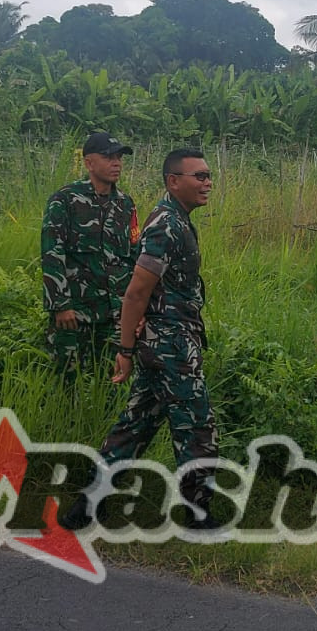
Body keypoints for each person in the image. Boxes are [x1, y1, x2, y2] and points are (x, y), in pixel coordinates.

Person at [80, 148, 219, 529]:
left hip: (168, 339)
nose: (207, 183)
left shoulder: (177, 219)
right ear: (174, 181)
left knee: (136, 425)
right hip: (169, 344)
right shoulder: (166, 225)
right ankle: (198, 514)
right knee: (196, 426)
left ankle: (85, 506)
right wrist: (125, 349)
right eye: (199, 176)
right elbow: (137, 292)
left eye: (209, 176)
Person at [41, 131, 140, 383]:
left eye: (119, 157)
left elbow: (133, 256)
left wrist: (135, 308)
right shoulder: (65, 200)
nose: (116, 162)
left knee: (110, 382)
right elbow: (52, 253)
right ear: (89, 163)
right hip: (75, 313)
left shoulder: (125, 205)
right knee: (66, 381)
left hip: (114, 313)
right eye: (108, 157)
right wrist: (60, 305)